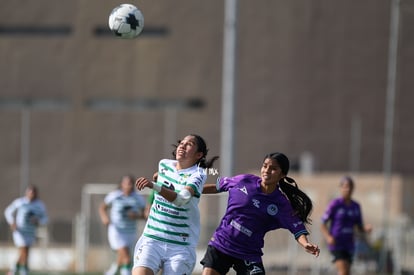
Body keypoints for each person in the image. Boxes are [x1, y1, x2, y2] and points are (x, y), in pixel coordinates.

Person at [200, 152, 320, 275]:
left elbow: (297, 229)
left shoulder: (281, 204)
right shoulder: (244, 180)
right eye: (265, 166)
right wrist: (191, 190)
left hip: (249, 253)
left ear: (282, 175)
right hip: (222, 244)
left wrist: (306, 244)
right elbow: (216, 187)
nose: (267, 170)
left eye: (273, 168)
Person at [133, 134, 219, 275]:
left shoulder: (198, 175)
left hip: (180, 246)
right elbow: (164, 179)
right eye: (182, 142)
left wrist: (154, 185)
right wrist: (154, 191)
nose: (183, 145)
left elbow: (181, 200)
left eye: (190, 144)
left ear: (199, 155)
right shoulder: (164, 165)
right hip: (152, 239)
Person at [320, 176, 372, 275]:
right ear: (340, 188)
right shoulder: (335, 204)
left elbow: (359, 226)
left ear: (353, 189)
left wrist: (365, 228)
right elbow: (322, 223)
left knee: (347, 272)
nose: (347, 189)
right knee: (343, 271)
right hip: (336, 243)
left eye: (350, 187)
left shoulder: (356, 206)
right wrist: (328, 237)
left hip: (349, 244)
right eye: (345, 186)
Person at [99, 175, 147, 275]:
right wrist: (105, 218)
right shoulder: (115, 195)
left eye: (130, 183)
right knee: (126, 257)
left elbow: (145, 215)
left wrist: (137, 216)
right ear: (121, 184)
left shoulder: (138, 198)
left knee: (124, 257)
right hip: (116, 231)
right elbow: (102, 207)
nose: (128, 186)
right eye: (126, 183)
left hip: (130, 231)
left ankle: (111, 272)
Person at [4, 185, 48, 275]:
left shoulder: (40, 205)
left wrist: (38, 220)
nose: (31, 194)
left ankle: (15, 271)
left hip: (31, 231)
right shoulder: (20, 202)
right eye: (30, 192)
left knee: (26, 252)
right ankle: (21, 272)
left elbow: (45, 218)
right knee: (23, 250)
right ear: (27, 193)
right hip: (20, 231)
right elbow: (8, 211)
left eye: (33, 193)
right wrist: (12, 222)